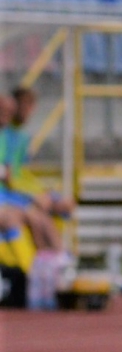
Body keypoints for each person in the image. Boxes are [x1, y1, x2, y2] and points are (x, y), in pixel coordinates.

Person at [0, 85, 74, 251]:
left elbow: (19, 172)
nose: (29, 111)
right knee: (34, 216)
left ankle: (58, 257)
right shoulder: (6, 135)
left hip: (13, 191)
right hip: (7, 194)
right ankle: (47, 259)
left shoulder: (19, 136)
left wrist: (41, 191)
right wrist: (33, 195)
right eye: (26, 105)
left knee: (64, 205)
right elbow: (10, 176)